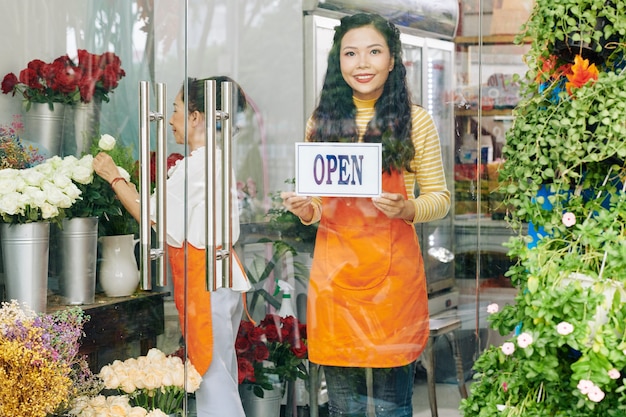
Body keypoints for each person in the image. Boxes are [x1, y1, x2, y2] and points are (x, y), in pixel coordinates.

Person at [281, 13, 450, 417]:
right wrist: (308, 209)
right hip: (336, 282)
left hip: (393, 285)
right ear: (337, 62)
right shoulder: (320, 123)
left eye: (374, 52)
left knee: (393, 407)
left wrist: (408, 207)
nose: (362, 63)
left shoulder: (416, 121)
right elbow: (320, 203)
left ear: (392, 60)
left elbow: (440, 198)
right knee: (344, 408)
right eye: (350, 53)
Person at [93, 76, 251, 417]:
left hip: (207, 280)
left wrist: (113, 177)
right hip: (219, 277)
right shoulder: (211, 159)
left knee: (211, 381)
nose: (171, 119)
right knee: (220, 374)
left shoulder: (198, 166)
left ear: (196, 116)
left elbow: (151, 216)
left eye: (176, 109)